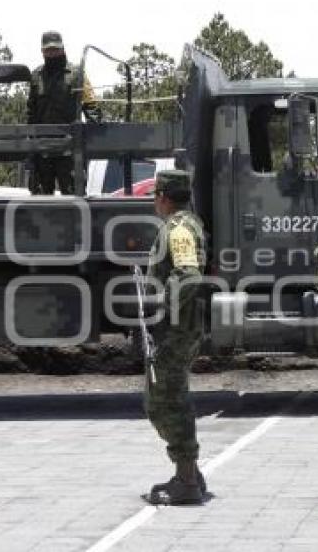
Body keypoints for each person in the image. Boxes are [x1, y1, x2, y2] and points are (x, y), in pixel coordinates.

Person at [143, 170, 208, 505]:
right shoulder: (184, 224)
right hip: (181, 327)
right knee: (168, 397)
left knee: (166, 400)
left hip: (177, 329)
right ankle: (190, 471)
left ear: (163, 196)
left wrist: (164, 306)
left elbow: (188, 275)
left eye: (155, 195)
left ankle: (186, 479)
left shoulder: (179, 229)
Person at [26, 30, 102, 195]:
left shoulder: (77, 73)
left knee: (73, 197)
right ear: (42, 51)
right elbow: (31, 111)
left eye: (55, 49)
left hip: (70, 148)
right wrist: (30, 144)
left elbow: (91, 104)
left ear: (62, 49)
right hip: (42, 147)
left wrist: (93, 130)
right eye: (48, 50)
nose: (52, 53)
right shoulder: (36, 76)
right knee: (39, 201)